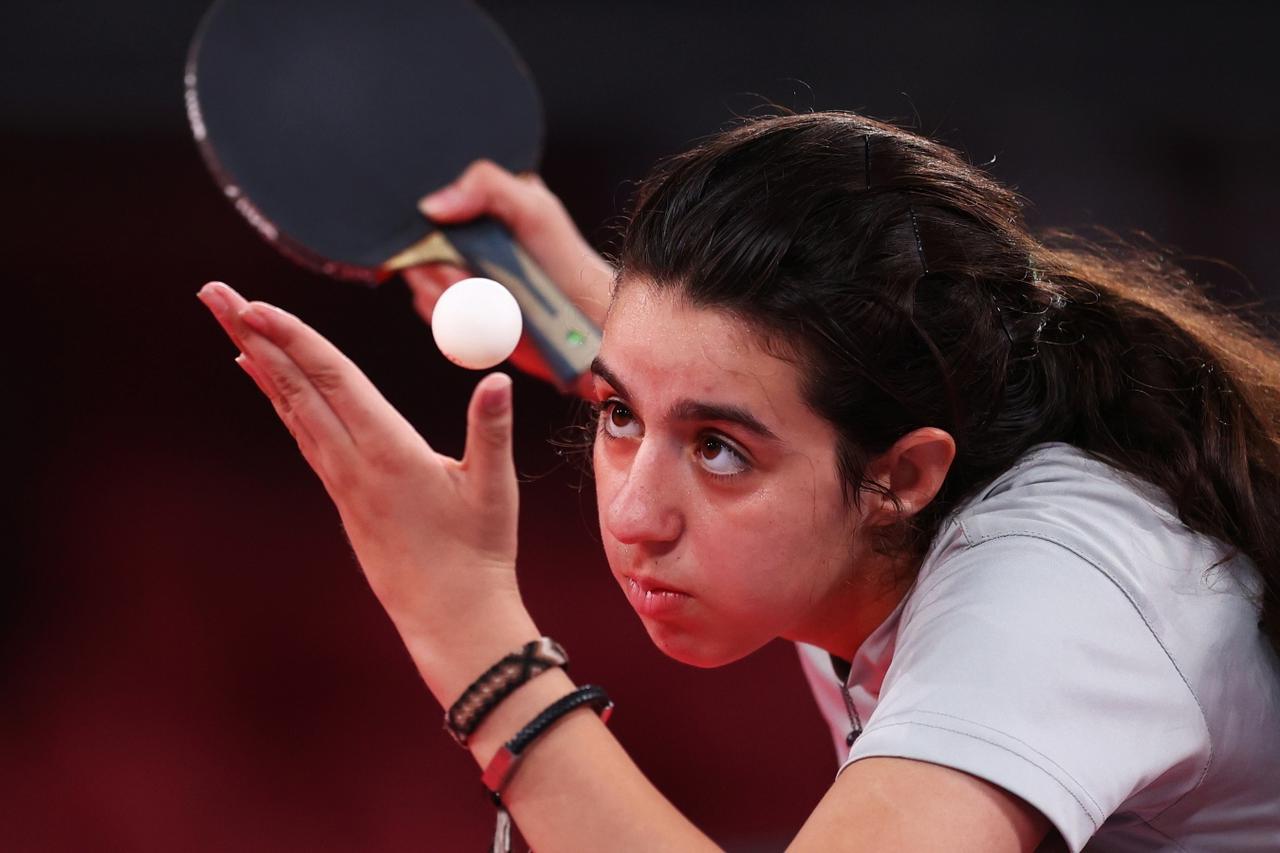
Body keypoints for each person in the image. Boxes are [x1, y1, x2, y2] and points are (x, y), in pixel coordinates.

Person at [197, 111, 1280, 851]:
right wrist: (591, 316)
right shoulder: (891, 444)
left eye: (718, 449)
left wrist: (467, 629)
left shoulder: (1051, 593)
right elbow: (740, 387)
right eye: (620, 415)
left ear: (900, 475)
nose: (631, 517)